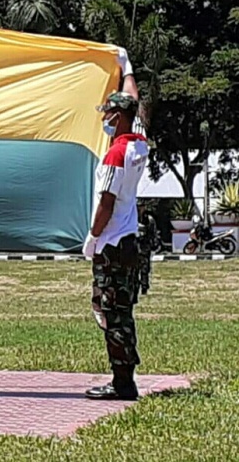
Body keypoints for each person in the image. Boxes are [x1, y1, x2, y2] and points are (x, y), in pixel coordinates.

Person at [82, 91, 149, 400]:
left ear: (118, 117)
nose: (103, 119)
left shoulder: (115, 154)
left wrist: (93, 236)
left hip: (111, 243)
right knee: (124, 310)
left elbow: (106, 202)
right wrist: (126, 68)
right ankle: (126, 377)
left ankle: (122, 382)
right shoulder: (140, 146)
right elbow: (134, 103)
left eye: (107, 114)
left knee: (110, 312)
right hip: (130, 241)